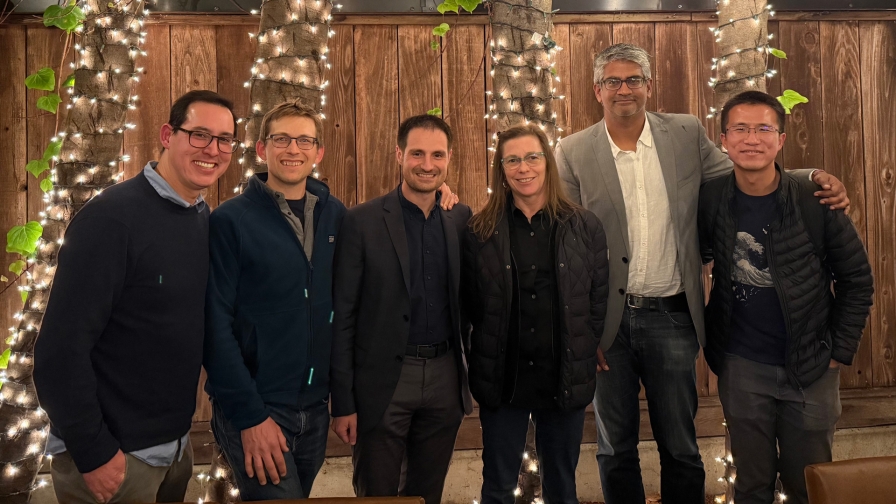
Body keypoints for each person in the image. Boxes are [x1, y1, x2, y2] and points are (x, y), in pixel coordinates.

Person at [554, 43, 850, 504]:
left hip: (672, 316)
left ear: (649, 86)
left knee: (681, 444)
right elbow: (567, 248)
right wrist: (580, 329)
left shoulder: (686, 134)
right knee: (614, 446)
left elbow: (751, 170)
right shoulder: (572, 152)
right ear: (597, 90)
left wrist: (813, 177)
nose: (624, 89)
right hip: (606, 325)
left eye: (634, 79)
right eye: (613, 81)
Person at [33, 90, 237, 503]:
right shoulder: (111, 219)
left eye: (224, 139)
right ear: (167, 134)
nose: (212, 150)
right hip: (117, 458)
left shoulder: (200, 217)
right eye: (199, 135)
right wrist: (94, 453)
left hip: (174, 450)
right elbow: (57, 352)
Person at [698, 91, 873, 504]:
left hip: (811, 367)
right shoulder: (710, 200)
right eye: (740, 129)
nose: (752, 138)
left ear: (780, 140)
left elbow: (857, 280)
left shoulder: (815, 200)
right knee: (752, 486)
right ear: (723, 140)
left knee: (809, 484)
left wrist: (837, 353)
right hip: (741, 366)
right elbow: (698, 256)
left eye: (764, 129)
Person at [203, 100, 346, 500]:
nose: (293, 149)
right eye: (281, 139)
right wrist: (251, 416)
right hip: (259, 408)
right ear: (262, 149)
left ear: (318, 152)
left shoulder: (335, 215)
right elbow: (214, 326)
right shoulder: (230, 221)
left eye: (304, 140)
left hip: (316, 410)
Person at [462, 125, 609, 504]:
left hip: (562, 374)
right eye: (512, 160)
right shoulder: (480, 230)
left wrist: (585, 344)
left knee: (562, 484)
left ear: (547, 163)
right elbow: (470, 301)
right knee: (497, 484)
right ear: (502, 169)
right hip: (503, 376)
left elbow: (597, 298)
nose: (523, 167)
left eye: (532, 157)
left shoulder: (584, 227)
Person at [330, 114, 472, 504]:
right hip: (383, 382)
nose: (427, 164)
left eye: (437, 155)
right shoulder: (361, 221)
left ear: (449, 158)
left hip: (445, 378)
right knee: (377, 494)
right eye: (417, 154)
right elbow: (342, 316)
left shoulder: (460, 218)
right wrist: (343, 401)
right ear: (399, 155)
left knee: (428, 494)